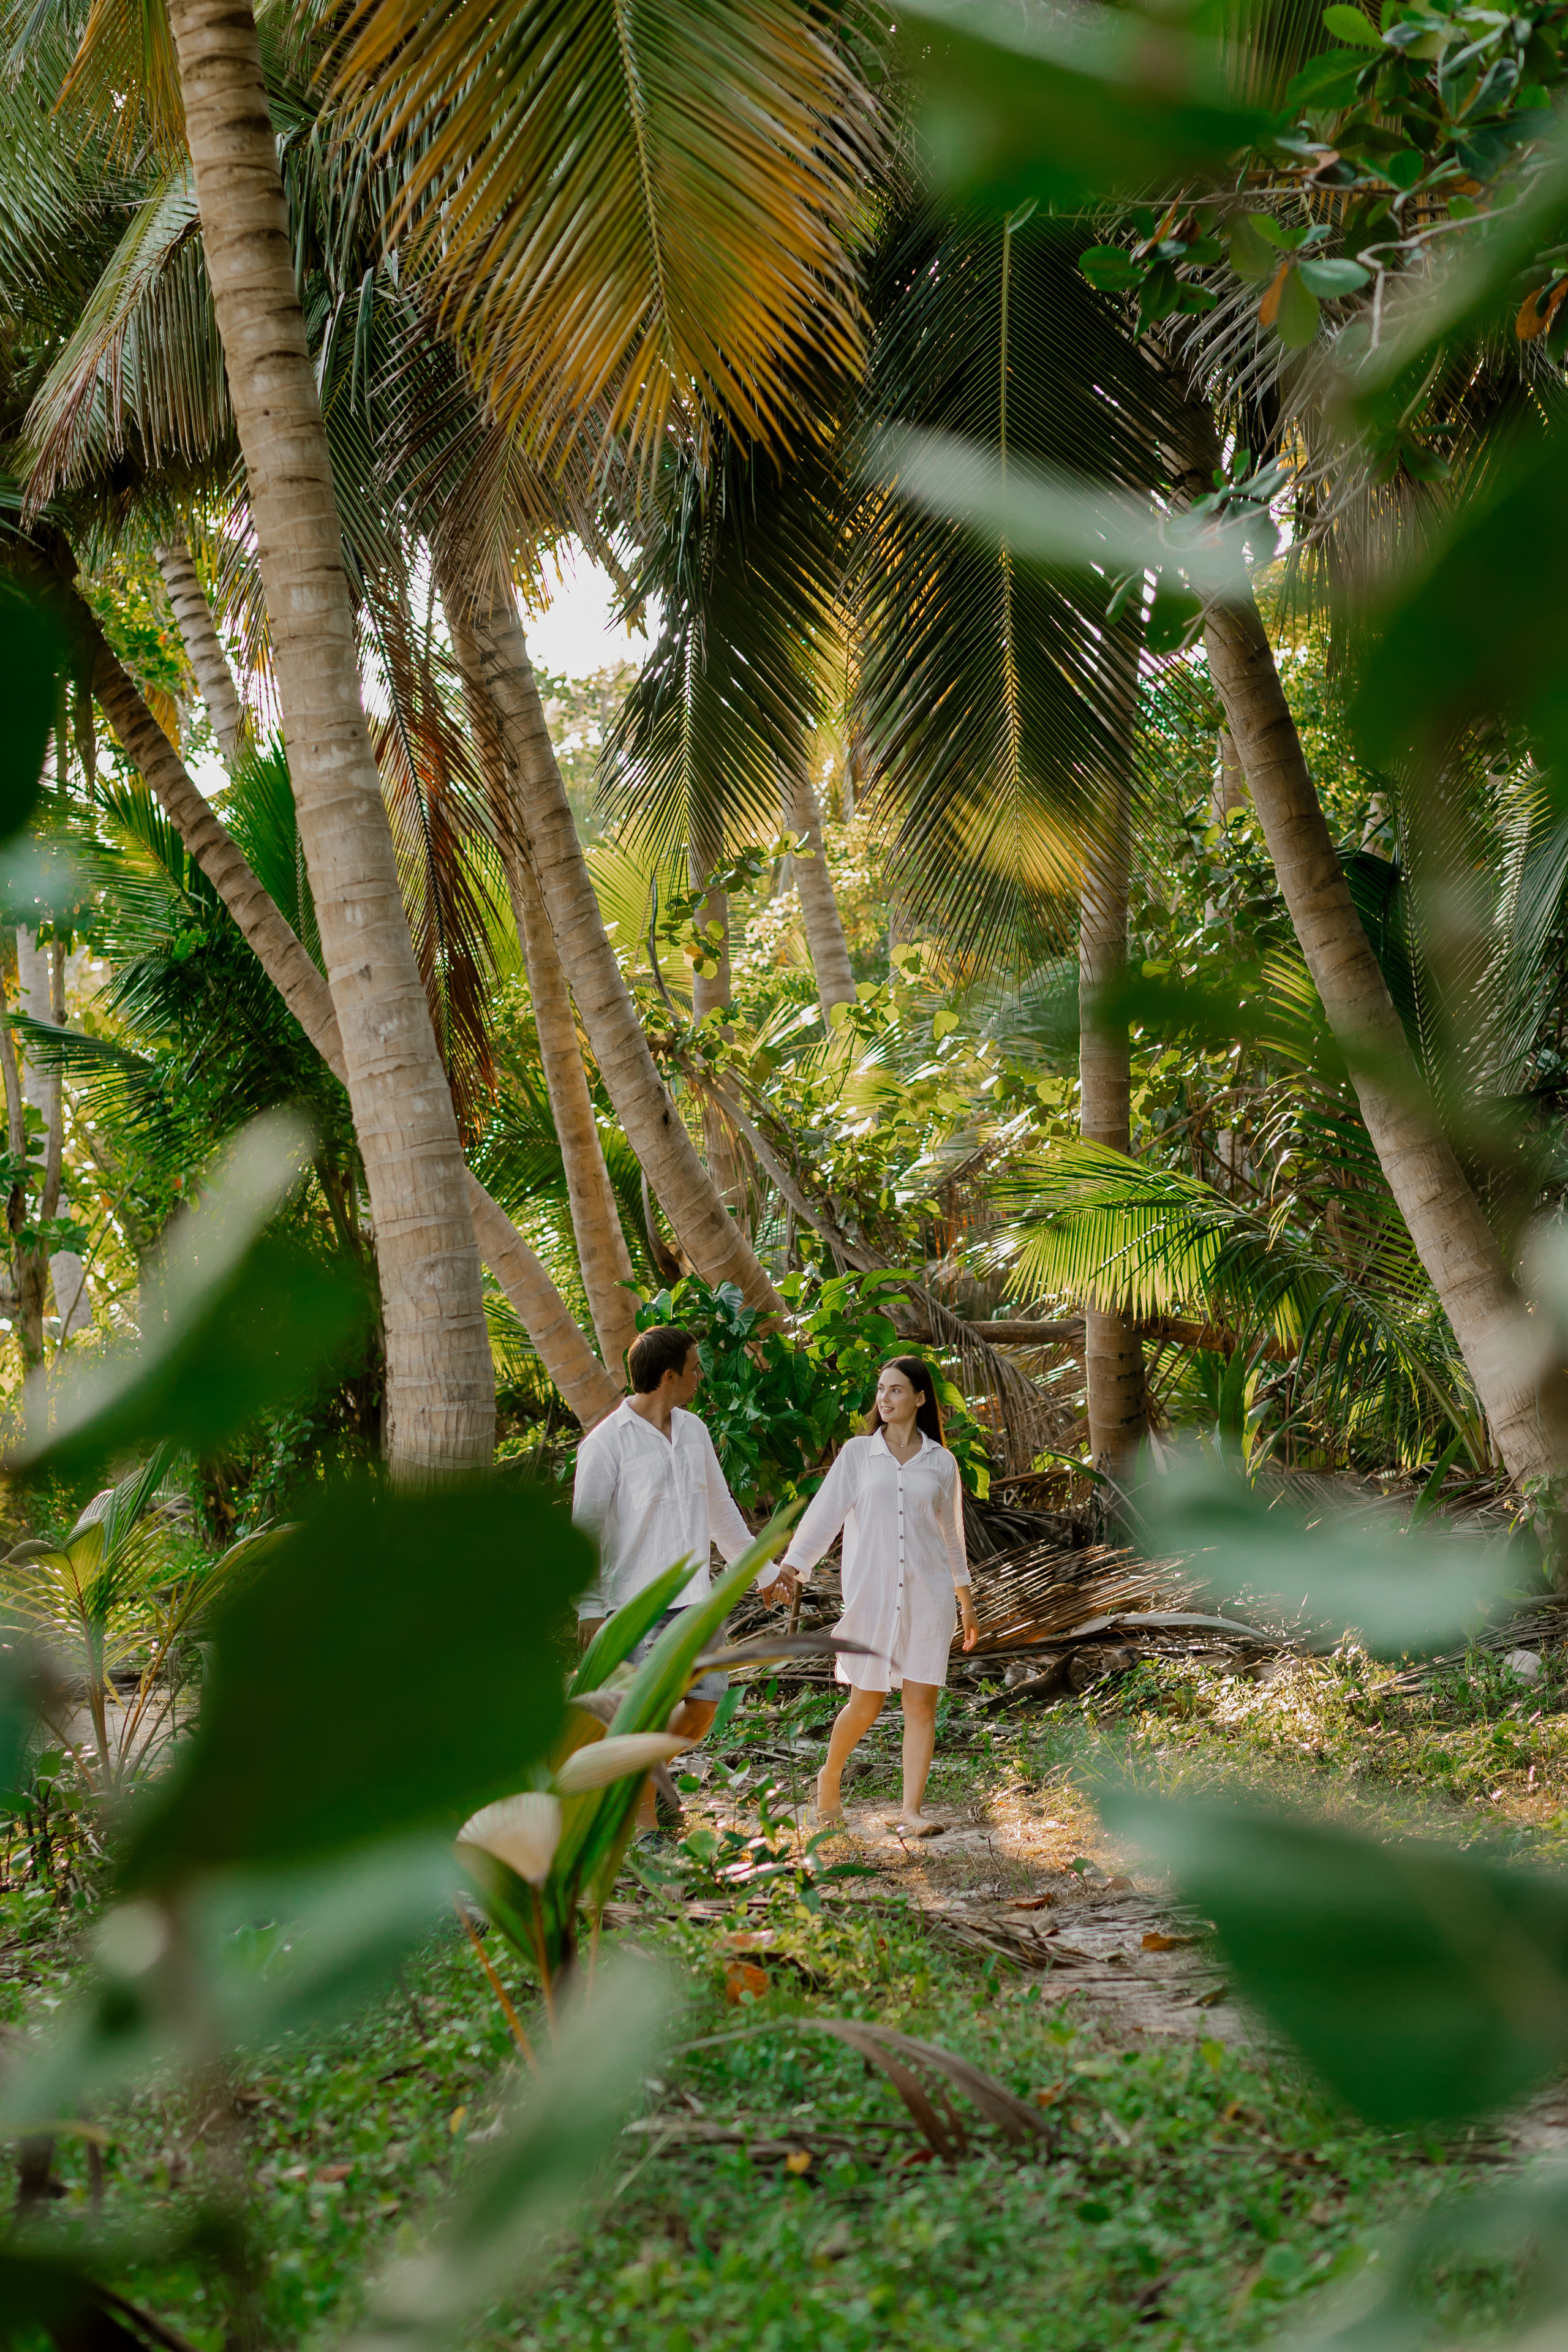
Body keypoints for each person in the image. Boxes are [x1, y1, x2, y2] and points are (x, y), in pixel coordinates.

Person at [774, 1355, 978, 1838]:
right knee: (865, 1703)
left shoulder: (941, 1462)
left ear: (920, 1398)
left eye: (896, 1390)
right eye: (881, 1390)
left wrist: (966, 1600)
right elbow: (824, 1515)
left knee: (921, 1706)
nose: (884, 1399)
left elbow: (952, 1536)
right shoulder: (857, 1455)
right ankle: (829, 1776)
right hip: (872, 1597)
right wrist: (791, 1567)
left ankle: (911, 1812)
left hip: (929, 1597)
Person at [572, 1324, 764, 1828]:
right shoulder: (606, 1444)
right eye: (695, 1368)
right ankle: (646, 1827)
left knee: (702, 1709)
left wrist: (764, 1571)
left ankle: (641, 1783)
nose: (702, 1377)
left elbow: (722, 1513)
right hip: (632, 1606)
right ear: (668, 1375)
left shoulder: (694, 1430)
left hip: (696, 1600)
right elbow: (585, 1531)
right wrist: (590, 1610)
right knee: (641, 1718)